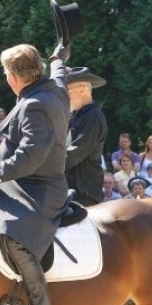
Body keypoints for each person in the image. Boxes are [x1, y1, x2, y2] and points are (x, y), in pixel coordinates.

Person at [0, 41, 70, 305]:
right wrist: (58, 58)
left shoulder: (34, 105)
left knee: (14, 236)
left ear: (15, 77)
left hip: (37, 188)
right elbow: (60, 74)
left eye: (6, 72)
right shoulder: (54, 90)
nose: (6, 77)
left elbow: (30, 156)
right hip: (25, 182)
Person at [63, 66, 107, 205]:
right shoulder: (75, 116)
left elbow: (75, 152)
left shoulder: (93, 116)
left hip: (84, 193)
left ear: (82, 90)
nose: (65, 97)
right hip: (69, 189)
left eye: (67, 91)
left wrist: (46, 167)